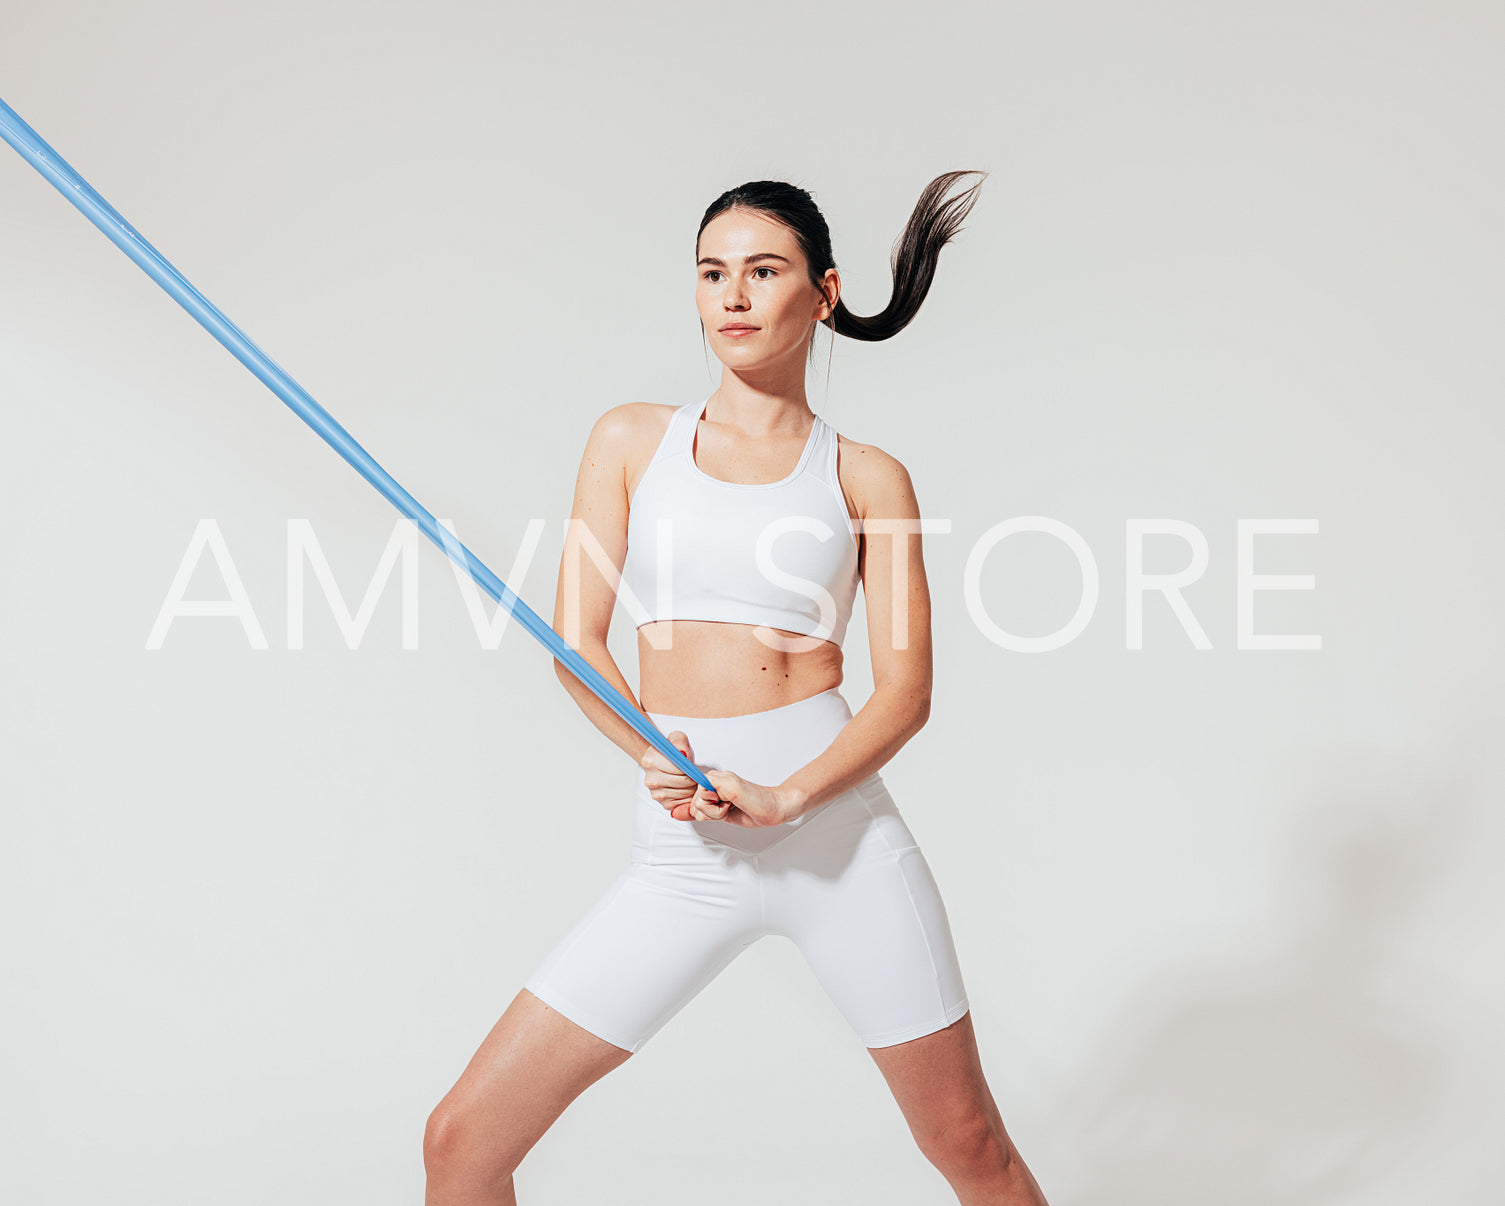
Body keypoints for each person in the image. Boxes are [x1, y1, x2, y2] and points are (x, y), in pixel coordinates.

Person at [423, 172, 1051, 1205]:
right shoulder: (632, 440)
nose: (734, 295)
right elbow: (575, 641)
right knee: (462, 1143)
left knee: (968, 1145)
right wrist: (648, 755)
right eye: (713, 273)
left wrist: (787, 796)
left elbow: (904, 693)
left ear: (824, 291)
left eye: (763, 271)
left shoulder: (866, 476)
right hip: (682, 849)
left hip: (836, 844)